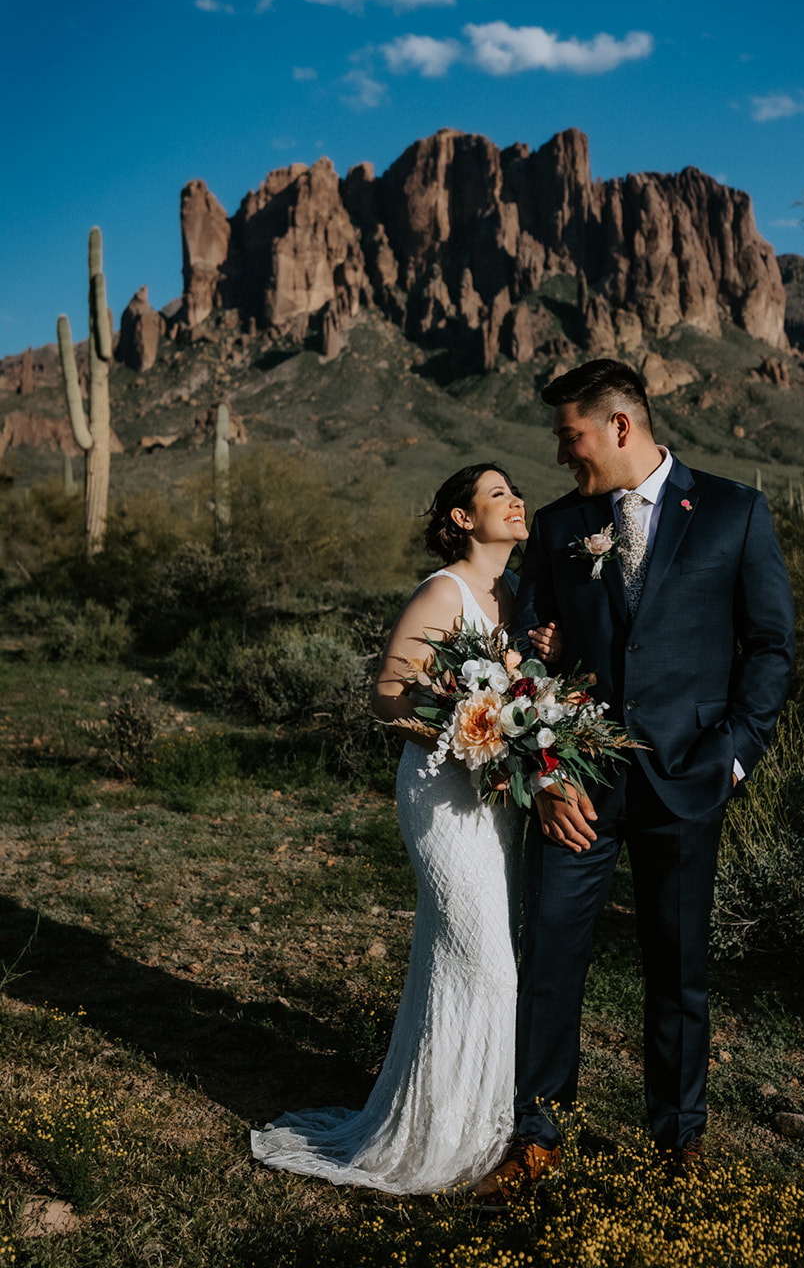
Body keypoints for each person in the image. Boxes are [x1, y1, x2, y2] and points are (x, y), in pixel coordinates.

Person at [473, 359, 795, 1203]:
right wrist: (543, 771)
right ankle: (538, 1137)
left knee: (678, 968)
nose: (560, 453)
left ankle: (678, 1141)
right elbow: (523, 663)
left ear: (620, 426)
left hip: (690, 780)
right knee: (548, 960)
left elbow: (770, 647)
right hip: (576, 787)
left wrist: (734, 754)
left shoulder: (734, 511)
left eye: (569, 435)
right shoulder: (556, 526)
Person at [251, 463, 534, 1195]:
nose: (516, 500)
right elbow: (385, 697)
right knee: (488, 964)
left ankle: (471, 1128)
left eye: (515, 491)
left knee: (465, 960)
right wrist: (468, 734)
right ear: (463, 519)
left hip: (496, 802)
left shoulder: (515, 597)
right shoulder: (444, 591)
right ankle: (453, 1148)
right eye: (497, 494)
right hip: (443, 795)